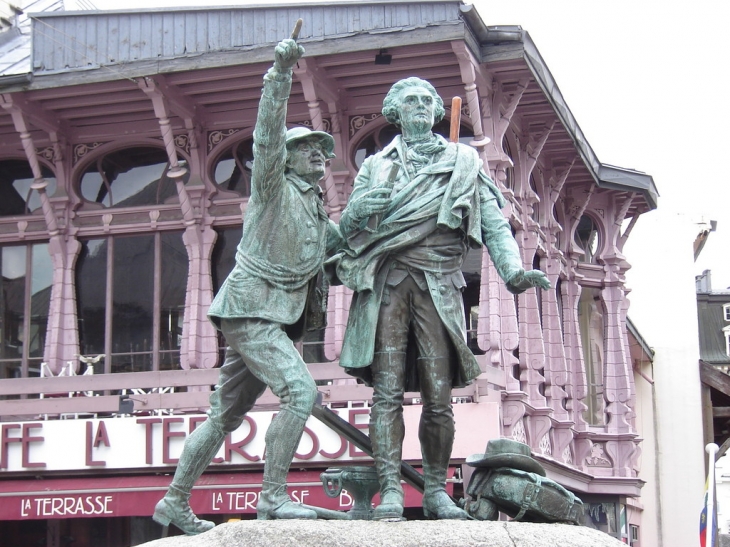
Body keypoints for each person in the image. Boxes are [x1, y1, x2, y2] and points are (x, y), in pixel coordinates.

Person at [335, 77, 550, 521]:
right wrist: (357, 212)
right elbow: (348, 229)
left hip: (440, 283)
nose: (418, 106)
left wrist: (512, 271)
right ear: (393, 111)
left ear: (437, 111)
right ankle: (391, 491)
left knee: (439, 395)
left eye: (425, 100)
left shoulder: (464, 161)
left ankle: (435, 490)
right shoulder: (376, 165)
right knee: (386, 393)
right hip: (388, 282)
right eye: (408, 100)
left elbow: (493, 222)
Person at [153, 36, 343, 534]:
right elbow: (266, 135)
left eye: (323, 155)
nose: (319, 159)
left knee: (223, 416)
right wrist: (279, 75)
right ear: (288, 159)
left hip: (268, 316)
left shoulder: (315, 210)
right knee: (300, 392)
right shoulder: (273, 188)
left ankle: (173, 502)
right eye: (309, 152)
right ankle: (274, 498)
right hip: (252, 308)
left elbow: (344, 250)